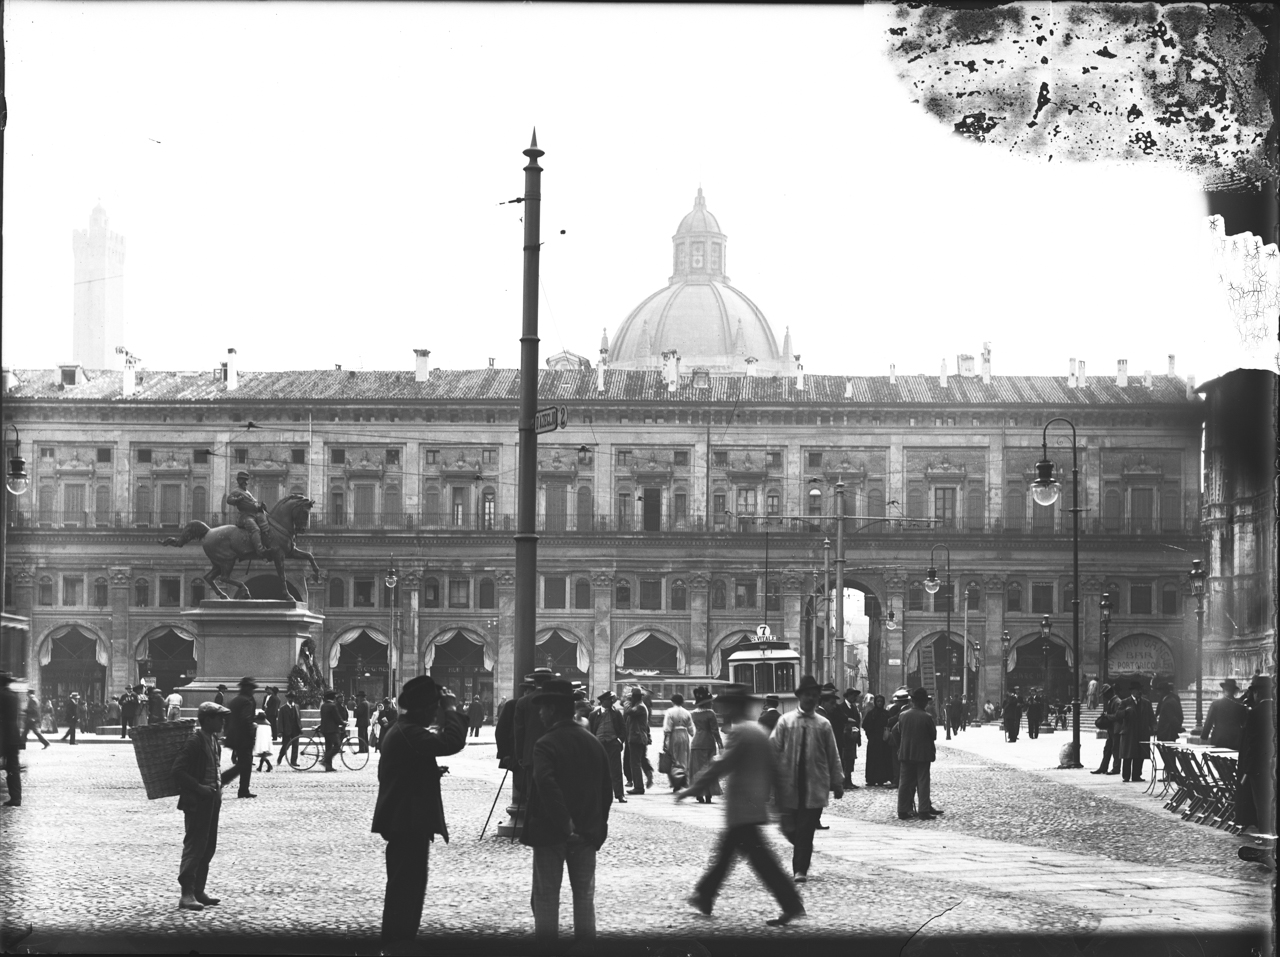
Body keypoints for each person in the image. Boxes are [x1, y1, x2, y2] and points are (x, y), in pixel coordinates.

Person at [679, 683, 805, 927]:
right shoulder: (757, 731)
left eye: (727, 706)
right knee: (727, 855)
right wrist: (782, 807)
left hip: (743, 809)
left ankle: (790, 904)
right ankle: (705, 895)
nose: (723, 710)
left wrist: (694, 787)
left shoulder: (741, 733)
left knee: (760, 862)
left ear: (736, 708)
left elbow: (722, 764)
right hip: (751, 807)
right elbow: (776, 769)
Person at [371, 676, 466, 953]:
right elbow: (451, 742)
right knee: (406, 890)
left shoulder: (403, 730)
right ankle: (397, 945)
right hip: (407, 823)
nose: (436, 713)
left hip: (407, 820)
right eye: (435, 708)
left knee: (408, 888)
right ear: (425, 708)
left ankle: (401, 942)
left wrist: (425, 771)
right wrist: (451, 709)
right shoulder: (410, 732)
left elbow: (395, 771)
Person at [521, 678, 612, 948]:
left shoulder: (545, 743)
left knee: (547, 897)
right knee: (584, 897)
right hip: (587, 833)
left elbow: (547, 787)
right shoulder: (592, 741)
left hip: (552, 832)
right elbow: (606, 791)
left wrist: (565, 825)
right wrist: (597, 828)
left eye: (542, 707)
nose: (539, 713)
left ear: (551, 709)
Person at [770, 675, 843, 883]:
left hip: (814, 785)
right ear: (799, 696)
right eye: (807, 695)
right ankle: (803, 849)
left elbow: (832, 754)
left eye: (815, 696)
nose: (811, 699)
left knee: (806, 829)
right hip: (789, 785)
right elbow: (772, 750)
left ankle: (800, 869)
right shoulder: (786, 721)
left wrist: (837, 782)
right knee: (790, 828)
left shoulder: (823, 725)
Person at [172, 701, 232, 910]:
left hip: (212, 801)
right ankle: (186, 894)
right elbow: (178, 771)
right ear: (207, 720)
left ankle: (198, 890)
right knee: (195, 846)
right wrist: (199, 788)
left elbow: (214, 771)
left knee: (208, 847)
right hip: (197, 802)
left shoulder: (214, 740)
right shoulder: (195, 741)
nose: (223, 722)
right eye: (219, 718)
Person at [1234, 675, 1276, 837]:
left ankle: (1265, 835)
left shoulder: (1255, 713)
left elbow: (1252, 744)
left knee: (1261, 802)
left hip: (1258, 767)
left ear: (1257, 693)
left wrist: (1247, 768)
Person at [893, 687, 941, 820]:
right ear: (924, 702)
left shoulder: (903, 716)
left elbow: (896, 731)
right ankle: (924, 810)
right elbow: (933, 735)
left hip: (906, 753)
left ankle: (902, 810)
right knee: (923, 782)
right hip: (922, 754)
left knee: (904, 783)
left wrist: (900, 746)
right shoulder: (927, 717)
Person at [219, 677, 259, 797]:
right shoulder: (246, 701)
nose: (253, 691)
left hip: (236, 737)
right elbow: (246, 719)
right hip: (244, 738)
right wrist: (252, 732)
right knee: (244, 765)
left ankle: (243, 790)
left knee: (244, 764)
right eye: (252, 688)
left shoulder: (235, 700)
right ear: (247, 689)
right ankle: (221, 781)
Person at [588, 690, 627, 803]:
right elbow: (590, 729)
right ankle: (598, 794)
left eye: (611, 700)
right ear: (603, 701)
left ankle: (619, 795)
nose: (611, 702)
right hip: (599, 744)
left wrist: (619, 740)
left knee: (616, 770)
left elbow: (623, 729)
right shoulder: (594, 714)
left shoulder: (616, 713)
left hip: (613, 744)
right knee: (598, 770)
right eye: (609, 700)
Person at [686, 687, 721, 803]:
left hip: (695, 743)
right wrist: (720, 744)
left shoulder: (693, 713)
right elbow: (715, 731)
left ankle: (698, 793)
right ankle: (708, 794)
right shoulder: (711, 714)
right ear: (708, 702)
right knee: (709, 769)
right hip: (708, 743)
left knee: (697, 769)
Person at [225, 469, 270, 557]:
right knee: (255, 529)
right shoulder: (236, 491)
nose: (246, 482)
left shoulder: (247, 492)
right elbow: (229, 500)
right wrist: (237, 500)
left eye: (246, 480)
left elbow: (253, 504)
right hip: (245, 516)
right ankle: (260, 550)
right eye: (244, 480)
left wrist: (260, 507)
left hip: (254, 515)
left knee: (266, 524)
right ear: (240, 481)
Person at [1116, 680, 1154, 783]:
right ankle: (1126, 776)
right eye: (1137, 690)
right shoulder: (1125, 702)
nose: (1138, 692)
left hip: (1142, 732)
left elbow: (1151, 718)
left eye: (1139, 690)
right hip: (1129, 733)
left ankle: (1137, 775)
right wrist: (1125, 712)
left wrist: (1153, 728)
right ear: (1132, 691)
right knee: (1128, 755)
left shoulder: (1146, 703)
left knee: (1140, 755)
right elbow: (1118, 715)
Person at [623, 687, 655, 795]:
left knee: (635, 763)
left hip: (637, 738)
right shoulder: (639, 706)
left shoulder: (640, 707)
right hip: (636, 737)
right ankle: (641, 782)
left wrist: (626, 702)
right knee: (638, 761)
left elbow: (628, 712)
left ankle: (638, 787)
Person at [1201, 678, 1247, 749]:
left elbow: (1209, 721)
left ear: (1223, 690)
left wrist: (1204, 735)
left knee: (1217, 758)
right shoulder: (1240, 705)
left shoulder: (1215, 704)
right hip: (1235, 738)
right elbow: (1244, 722)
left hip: (1219, 737)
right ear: (1234, 691)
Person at [662, 691, 693, 790]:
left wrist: (665, 741)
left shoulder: (670, 711)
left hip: (673, 735)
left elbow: (667, 728)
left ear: (673, 702)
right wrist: (692, 735)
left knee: (674, 757)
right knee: (683, 757)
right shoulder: (687, 712)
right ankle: (683, 779)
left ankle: (676, 782)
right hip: (684, 735)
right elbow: (691, 728)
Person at [1090, 684, 1123, 775]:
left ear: (1109, 693)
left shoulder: (1117, 702)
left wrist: (1107, 716)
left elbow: (1118, 716)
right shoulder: (1111, 701)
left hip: (1116, 729)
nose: (1104, 696)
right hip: (1111, 729)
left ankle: (1116, 768)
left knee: (1115, 749)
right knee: (1107, 749)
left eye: (1105, 694)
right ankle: (1103, 767)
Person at [862, 694, 892, 787]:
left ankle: (881, 778)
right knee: (873, 760)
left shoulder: (886, 713)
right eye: (878, 701)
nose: (879, 703)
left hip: (883, 740)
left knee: (883, 759)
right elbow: (865, 725)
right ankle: (871, 778)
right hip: (874, 740)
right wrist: (870, 735)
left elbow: (889, 724)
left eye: (881, 702)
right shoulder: (871, 713)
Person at [1, 674, 22, 805]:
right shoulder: (13, 696)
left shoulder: (1, 695)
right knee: (13, 767)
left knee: (11, 767)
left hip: (3, 735)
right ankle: (16, 798)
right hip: (13, 735)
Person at [886, 688, 911, 785]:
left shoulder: (903, 711)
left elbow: (895, 727)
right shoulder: (907, 709)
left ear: (900, 702)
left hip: (899, 740)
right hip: (906, 740)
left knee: (897, 761)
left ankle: (897, 781)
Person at [839, 688, 863, 789]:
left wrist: (858, 737)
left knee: (851, 760)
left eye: (856, 696)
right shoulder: (841, 707)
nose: (855, 698)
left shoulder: (854, 708)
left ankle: (849, 780)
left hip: (853, 738)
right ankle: (844, 781)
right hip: (845, 738)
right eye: (853, 695)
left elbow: (857, 722)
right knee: (845, 759)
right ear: (847, 696)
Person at [276, 691, 303, 768]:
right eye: (289, 697)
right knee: (285, 746)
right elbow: (280, 721)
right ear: (287, 698)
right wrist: (280, 731)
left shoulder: (297, 707)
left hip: (295, 729)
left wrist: (300, 727)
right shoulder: (283, 708)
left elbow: (299, 718)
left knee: (295, 745)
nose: (291, 699)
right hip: (286, 730)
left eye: (292, 697)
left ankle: (293, 761)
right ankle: (280, 756)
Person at [319, 690, 343, 772]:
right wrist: (343, 723)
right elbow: (337, 718)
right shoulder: (333, 706)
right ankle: (325, 759)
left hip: (325, 729)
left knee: (328, 747)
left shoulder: (323, 705)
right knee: (337, 745)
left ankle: (328, 767)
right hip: (332, 729)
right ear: (333, 697)